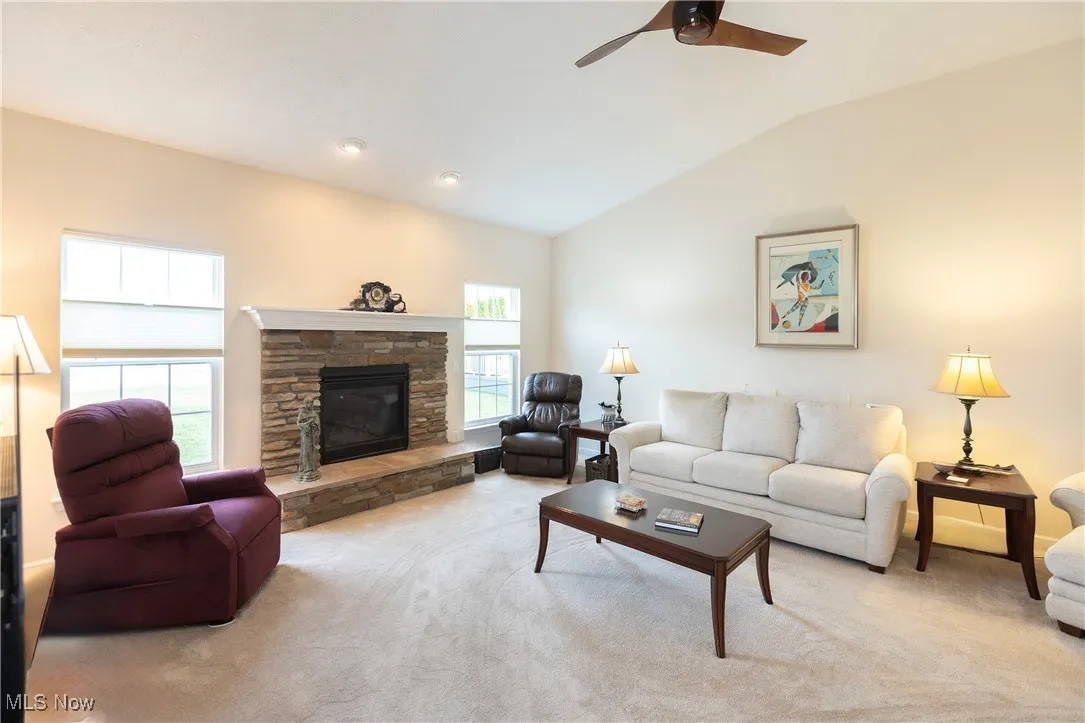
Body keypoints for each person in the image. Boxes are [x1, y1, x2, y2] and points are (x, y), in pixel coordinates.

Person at [296, 397, 321, 482]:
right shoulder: (302, 413)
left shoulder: (313, 413)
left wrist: (314, 425)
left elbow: (317, 423)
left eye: (311, 403)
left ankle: (312, 468)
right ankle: (306, 469)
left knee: (312, 451)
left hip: (312, 436)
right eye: (309, 403)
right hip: (305, 436)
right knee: (306, 451)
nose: (310, 405)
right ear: (306, 404)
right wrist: (308, 423)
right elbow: (299, 424)